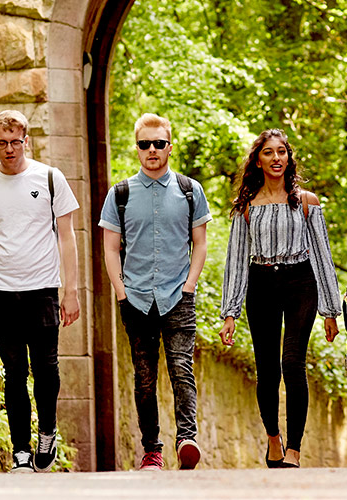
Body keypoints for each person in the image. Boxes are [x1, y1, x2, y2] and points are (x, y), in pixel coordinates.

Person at [0, 110, 81, 473]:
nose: (9, 149)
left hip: (42, 289)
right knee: (14, 372)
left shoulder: (50, 178)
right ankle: (21, 451)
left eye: (15, 142)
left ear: (27, 141)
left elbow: (67, 237)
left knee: (46, 370)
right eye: (2, 142)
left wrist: (70, 291)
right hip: (0, 291)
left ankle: (47, 432)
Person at [217, 130, 344, 469]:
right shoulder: (245, 207)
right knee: (267, 369)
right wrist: (229, 313)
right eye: (269, 152)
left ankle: (295, 450)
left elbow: (322, 256)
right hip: (261, 285)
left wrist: (330, 310)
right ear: (258, 161)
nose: (276, 158)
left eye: (282, 152)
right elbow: (235, 261)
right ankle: (274, 438)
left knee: (292, 362)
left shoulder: (307, 202)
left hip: (301, 282)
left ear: (289, 158)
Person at [98, 113, 211, 471]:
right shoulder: (120, 194)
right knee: (144, 378)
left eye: (158, 143)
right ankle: (152, 451)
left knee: (181, 369)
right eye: (144, 144)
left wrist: (189, 286)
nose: (152, 150)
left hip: (179, 295)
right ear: (137, 148)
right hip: (136, 298)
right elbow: (110, 248)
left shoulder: (190, 191)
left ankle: (187, 440)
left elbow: (200, 244)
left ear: (169, 147)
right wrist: (121, 292)